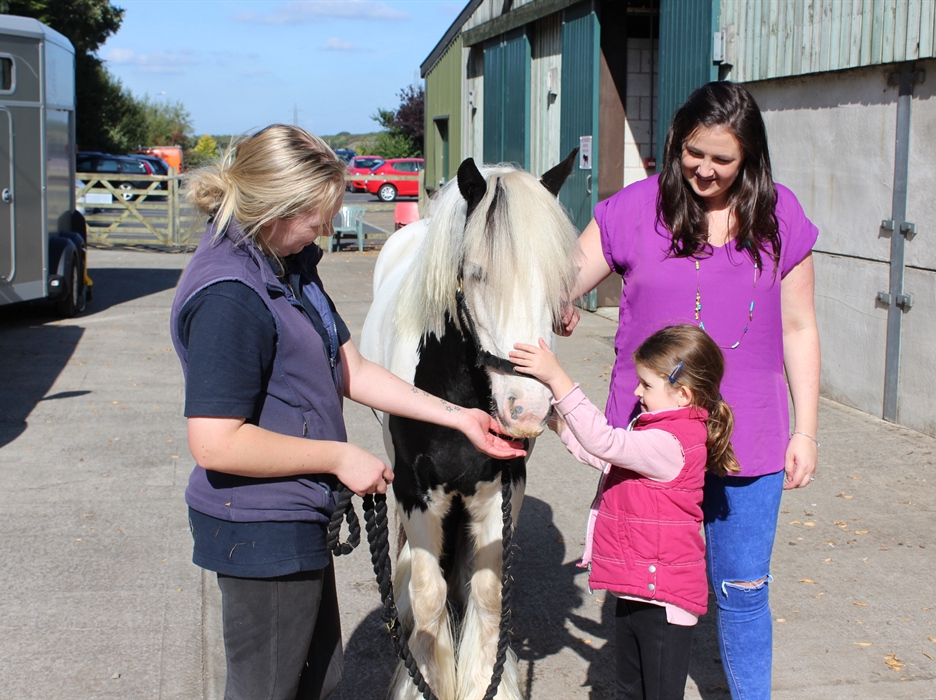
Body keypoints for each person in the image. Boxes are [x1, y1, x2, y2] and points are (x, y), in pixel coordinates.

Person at [169, 124, 524, 700]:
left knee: (317, 679)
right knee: (270, 687)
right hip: (259, 524)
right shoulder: (229, 294)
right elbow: (214, 441)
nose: (329, 228)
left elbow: (350, 369)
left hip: (296, 513)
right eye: (318, 216)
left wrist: (458, 417)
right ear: (277, 208)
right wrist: (338, 455)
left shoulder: (286, 268)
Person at [559, 82, 821, 699]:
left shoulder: (781, 214)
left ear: (750, 157)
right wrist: (558, 300)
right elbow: (563, 275)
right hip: (649, 436)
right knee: (644, 588)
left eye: (722, 159)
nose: (703, 169)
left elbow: (801, 328)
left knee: (743, 588)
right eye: (692, 152)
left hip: (748, 436)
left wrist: (806, 429)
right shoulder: (634, 208)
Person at [511, 324, 738, 700]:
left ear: (683, 394)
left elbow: (605, 441)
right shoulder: (658, 431)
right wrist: (552, 420)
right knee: (628, 691)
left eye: (647, 385)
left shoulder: (672, 442)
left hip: (665, 603)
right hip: (639, 590)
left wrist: (557, 378)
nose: (637, 392)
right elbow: (602, 456)